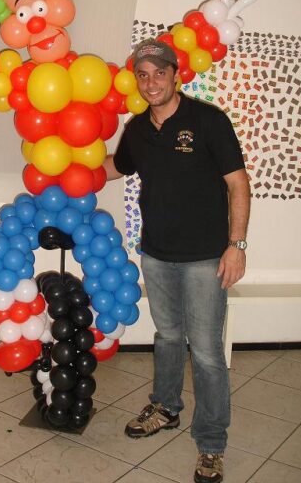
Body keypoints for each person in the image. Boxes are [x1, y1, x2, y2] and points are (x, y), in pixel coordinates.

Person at [104, 39, 250, 483]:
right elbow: (115, 167)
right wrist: (67, 166)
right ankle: (165, 408)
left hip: (206, 258)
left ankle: (211, 443)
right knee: (167, 337)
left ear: (176, 75)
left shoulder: (208, 121)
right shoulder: (138, 129)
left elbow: (238, 184)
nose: (151, 83)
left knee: (206, 352)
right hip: (157, 253)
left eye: (159, 73)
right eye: (143, 75)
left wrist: (237, 245)